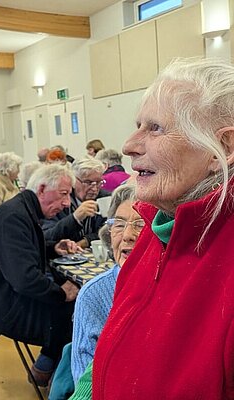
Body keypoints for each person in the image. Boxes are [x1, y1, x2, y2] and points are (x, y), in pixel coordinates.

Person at [92, 58, 234, 399]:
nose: (129, 144)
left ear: (224, 149)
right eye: (139, 124)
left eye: (155, 128)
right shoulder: (156, 230)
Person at [0, 164, 81, 387]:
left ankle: (45, 367)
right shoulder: (14, 217)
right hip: (2, 309)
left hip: (0, 297)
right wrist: (61, 293)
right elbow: (25, 279)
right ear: (41, 189)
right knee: (77, 313)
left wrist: (52, 247)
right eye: (63, 194)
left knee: (72, 306)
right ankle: (57, 379)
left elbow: (22, 251)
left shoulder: (21, 210)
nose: (67, 203)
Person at [70, 185, 142, 383]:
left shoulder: (176, 288)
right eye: (118, 224)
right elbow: (84, 379)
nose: (127, 235)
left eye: (140, 224)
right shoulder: (93, 295)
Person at [42, 158, 111, 249]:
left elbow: (110, 231)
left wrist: (86, 241)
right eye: (88, 182)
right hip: (63, 258)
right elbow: (47, 236)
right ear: (73, 181)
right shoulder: (60, 200)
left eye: (98, 183)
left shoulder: (105, 198)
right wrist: (75, 218)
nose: (94, 189)